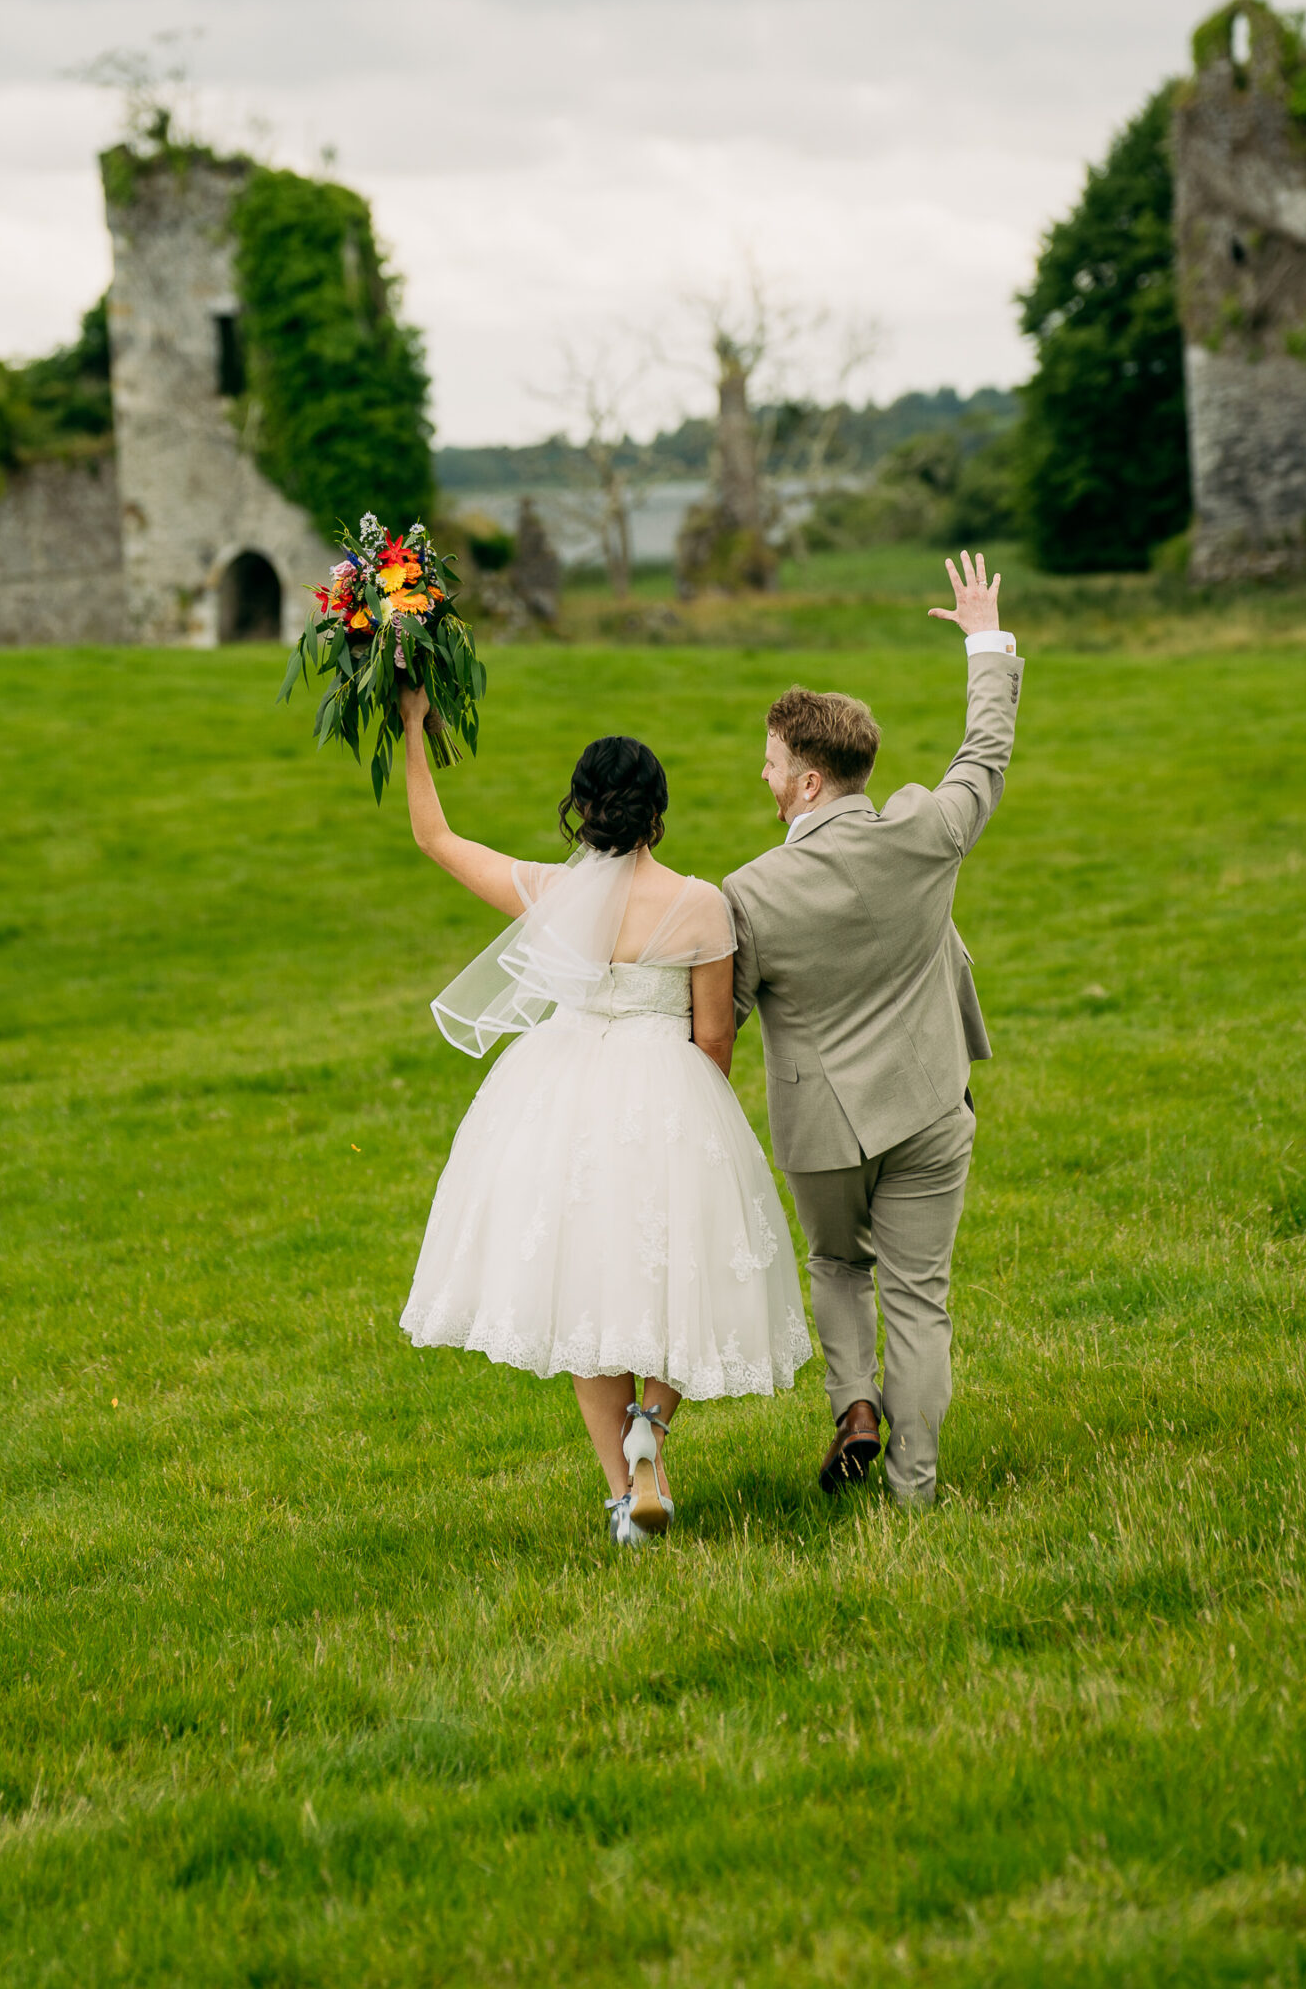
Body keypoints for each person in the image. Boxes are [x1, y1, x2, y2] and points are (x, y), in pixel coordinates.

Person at [396, 688, 812, 1549]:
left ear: (579, 811)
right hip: (667, 1088)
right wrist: (693, 1119)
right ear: (657, 813)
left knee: (584, 1288)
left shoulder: (551, 894)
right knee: (682, 1280)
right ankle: (650, 1432)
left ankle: (626, 1502)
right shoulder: (701, 904)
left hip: (557, 1095)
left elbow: (434, 838)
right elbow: (711, 1037)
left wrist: (410, 728)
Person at [721, 551, 1023, 1511]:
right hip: (930, 1105)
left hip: (823, 1131)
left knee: (836, 1265)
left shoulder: (747, 894)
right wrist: (984, 638)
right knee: (919, 1299)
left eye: (769, 762)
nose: (760, 773)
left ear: (806, 782)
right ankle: (913, 1489)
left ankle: (854, 1402)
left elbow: (719, 1015)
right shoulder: (927, 832)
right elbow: (984, 753)